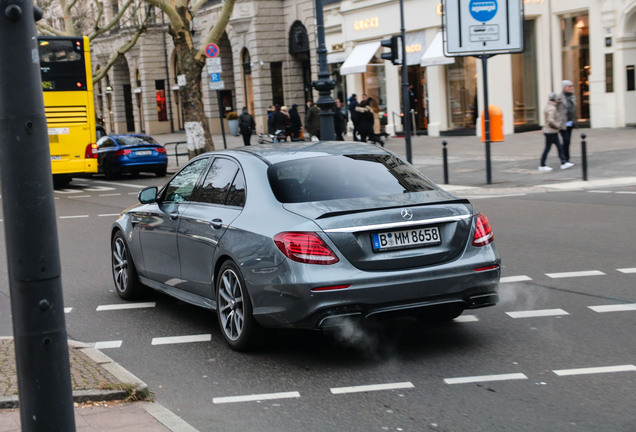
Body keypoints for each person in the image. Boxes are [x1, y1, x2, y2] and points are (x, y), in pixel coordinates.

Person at [540, 93, 573, 171]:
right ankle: (542, 165)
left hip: (550, 131)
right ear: (554, 99)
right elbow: (550, 120)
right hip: (551, 131)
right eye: (556, 99)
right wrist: (557, 125)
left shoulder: (548, 106)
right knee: (548, 148)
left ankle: (563, 162)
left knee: (559, 147)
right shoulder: (552, 108)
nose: (557, 100)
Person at [557, 80, 576, 163]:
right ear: (564, 87)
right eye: (569, 86)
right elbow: (555, 110)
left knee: (568, 142)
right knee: (566, 140)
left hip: (570, 122)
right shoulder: (559, 98)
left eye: (572, 86)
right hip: (562, 123)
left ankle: (567, 159)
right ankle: (563, 157)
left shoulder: (572, 97)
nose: (571, 88)